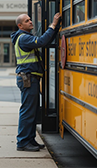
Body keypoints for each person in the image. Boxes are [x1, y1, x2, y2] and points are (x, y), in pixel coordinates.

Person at [11, 12, 61, 152]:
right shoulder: (23, 38)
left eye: (30, 19)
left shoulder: (25, 37)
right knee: (27, 112)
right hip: (28, 78)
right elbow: (41, 42)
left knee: (31, 112)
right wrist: (53, 25)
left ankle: (30, 140)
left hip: (30, 78)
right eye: (27, 21)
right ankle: (22, 142)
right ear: (20, 25)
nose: (30, 21)